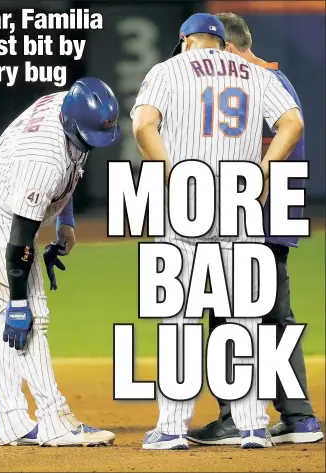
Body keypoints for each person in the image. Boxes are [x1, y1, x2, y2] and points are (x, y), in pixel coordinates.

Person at [131, 12, 304, 450]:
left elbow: (143, 125)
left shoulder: (166, 70)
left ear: (187, 40)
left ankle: (171, 428)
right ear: (223, 42)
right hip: (239, 202)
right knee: (244, 311)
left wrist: (168, 175)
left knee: (180, 314)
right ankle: (252, 426)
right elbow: (293, 124)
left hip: (187, 202)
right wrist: (265, 173)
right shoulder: (256, 74)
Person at [0, 77, 120, 447]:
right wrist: (19, 303)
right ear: (70, 121)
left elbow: (73, 161)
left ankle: (11, 420)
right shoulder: (41, 157)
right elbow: (19, 242)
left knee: (0, 316)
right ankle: (55, 419)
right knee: (29, 315)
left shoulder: (69, 107)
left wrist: (65, 220)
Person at [187, 12, 324, 446]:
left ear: (224, 49)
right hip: (275, 215)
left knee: (228, 312)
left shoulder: (249, 84)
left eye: (204, 53)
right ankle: (299, 418)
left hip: (247, 216)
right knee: (273, 316)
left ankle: (233, 417)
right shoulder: (277, 82)